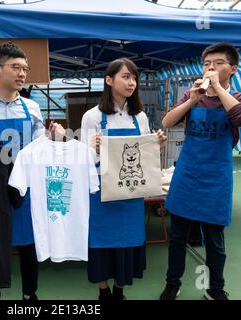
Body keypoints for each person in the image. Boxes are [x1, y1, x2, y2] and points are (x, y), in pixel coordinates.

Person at [0, 42, 63, 301]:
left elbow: (41, 147)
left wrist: (53, 137)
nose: (22, 74)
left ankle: (30, 295)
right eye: (16, 67)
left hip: (24, 186)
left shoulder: (32, 107)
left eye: (25, 69)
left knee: (28, 243)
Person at [159, 42, 241, 300]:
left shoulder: (240, 98)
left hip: (216, 178)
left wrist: (218, 89)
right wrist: (191, 101)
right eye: (206, 63)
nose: (210, 67)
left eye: (218, 63)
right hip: (187, 173)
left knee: (215, 240)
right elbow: (167, 123)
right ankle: (172, 283)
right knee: (178, 236)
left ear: (233, 68)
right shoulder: (193, 96)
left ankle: (216, 289)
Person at [80, 58, 167, 300]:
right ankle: (103, 291)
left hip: (130, 193)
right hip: (101, 193)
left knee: (127, 243)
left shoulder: (139, 117)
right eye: (126, 77)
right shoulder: (92, 117)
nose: (132, 82)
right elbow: (83, 158)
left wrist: (156, 145)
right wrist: (95, 149)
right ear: (109, 80)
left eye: (134, 77)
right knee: (100, 242)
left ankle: (119, 289)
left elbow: (143, 156)